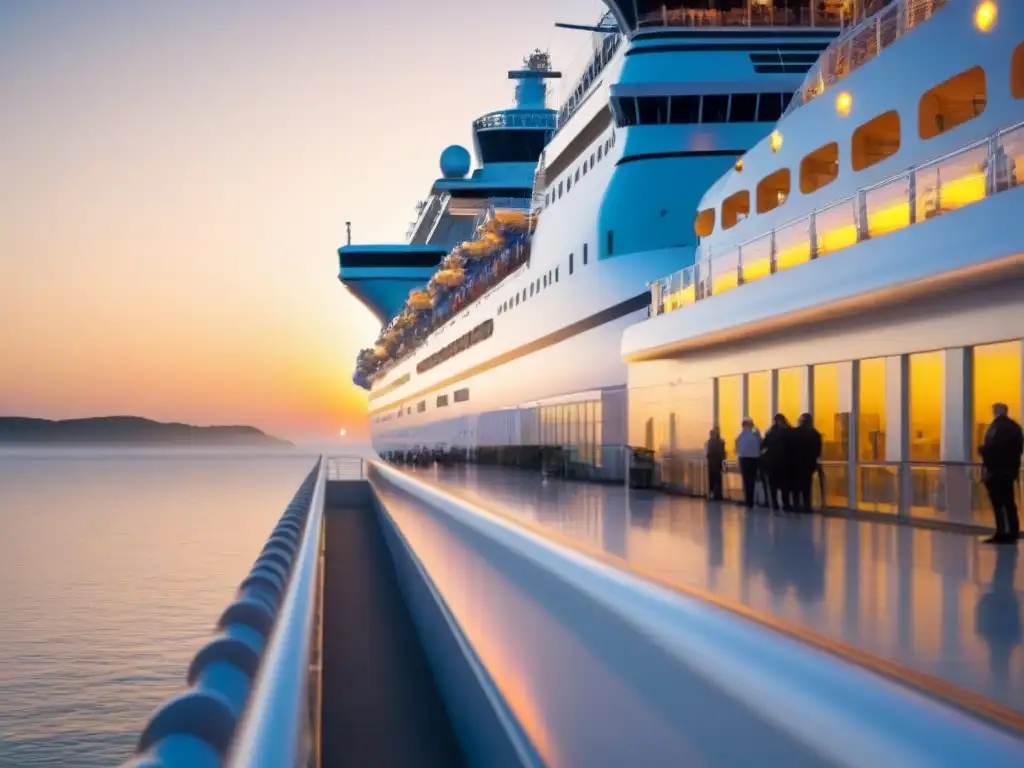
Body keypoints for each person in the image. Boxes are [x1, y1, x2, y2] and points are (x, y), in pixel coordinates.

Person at [979, 403, 1024, 544]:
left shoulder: (996, 428)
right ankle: (1012, 532)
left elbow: (992, 449)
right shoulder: (1015, 428)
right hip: (1009, 471)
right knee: (1009, 502)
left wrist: (982, 450)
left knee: (999, 503)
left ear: (996, 411)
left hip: (996, 472)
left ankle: (1002, 532)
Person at [761, 414, 793, 511]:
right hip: (786, 463)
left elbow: (763, 445)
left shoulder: (771, 433)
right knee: (785, 485)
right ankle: (786, 503)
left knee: (773, 485)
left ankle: (775, 504)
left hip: (773, 463)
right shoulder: (789, 432)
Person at [794, 413, 823, 513]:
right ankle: (807, 505)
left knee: (797, 485)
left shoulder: (795, 433)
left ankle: (797, 504)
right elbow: (818, 451)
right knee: (807, 485)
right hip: (809, 463)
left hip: (797, 463)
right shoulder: (815, 434)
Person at [735, 418, 762, 508]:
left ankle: (749, 500)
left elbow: (738, 448)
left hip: (745, 460)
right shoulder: (755, 435)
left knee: (747, 481)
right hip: (753, 460)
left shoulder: (741, 436)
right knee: (751, 481)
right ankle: (750, 500)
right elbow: (760, 445)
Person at [705, 427, 726, 501]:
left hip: (712, 464)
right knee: (717, 480)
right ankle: (717, 495)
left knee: (712, 480)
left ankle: (713, 494)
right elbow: (723, 454)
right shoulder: (720, 442)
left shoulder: (709, 442)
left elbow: (708, 454)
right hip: (717, 464)